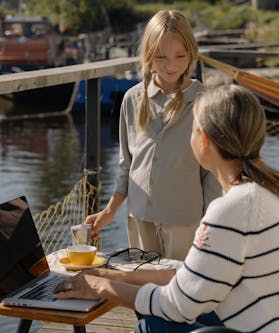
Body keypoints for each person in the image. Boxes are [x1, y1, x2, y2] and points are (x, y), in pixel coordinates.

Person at [55, 84, 279, 333]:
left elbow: (176, 306)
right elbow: (194, 275)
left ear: (203, 140)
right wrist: (111, 276)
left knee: (152, 324)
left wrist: (98, 288)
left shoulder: (231, 211)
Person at [84, 9, 221, 260]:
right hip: (139, 219)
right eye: (161, 57)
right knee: (143, 290)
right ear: (148, 55)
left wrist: (211, 223)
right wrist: (109, 210)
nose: (171, 66)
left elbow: (212, 174)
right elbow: (127, 166)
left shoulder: (206, 103)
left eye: (180, 56)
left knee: (179, 291)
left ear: (191, 53)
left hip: (185, 222)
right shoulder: (132, 99)